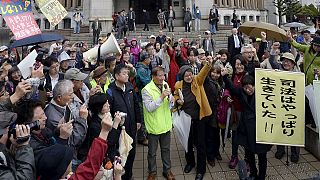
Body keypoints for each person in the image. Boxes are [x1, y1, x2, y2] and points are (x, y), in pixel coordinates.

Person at [221, 70, 272, 180]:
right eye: (246, 88)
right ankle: (253, 173)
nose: (248, 90)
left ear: (254, 85)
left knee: (262, 155)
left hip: (260, 128)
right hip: (246, 128)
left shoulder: (263, 92)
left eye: (250, 87)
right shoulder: (240, 91)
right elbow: (232, 88)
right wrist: (225, 76)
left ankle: (262, 176)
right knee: (249, 154)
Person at [174, 58, 213, 180]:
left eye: (190, 74)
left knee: (200, 144)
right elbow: (175, 96)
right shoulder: (178, 85)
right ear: (182, 76)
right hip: (186, 119)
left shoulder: (197, 80)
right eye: (186, 76)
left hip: (199, 118)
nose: (189, 77)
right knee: (188, 142)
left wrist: (208, 64)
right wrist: (177, 100)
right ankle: (190, 163)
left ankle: (201, 170)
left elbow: (203, 73)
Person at [15, 100, 74, 180]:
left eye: (43, 114)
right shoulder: (27, 143)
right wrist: (62, 139)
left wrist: (57, 131)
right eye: (40, 117)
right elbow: (50, 160)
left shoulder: (44, 130)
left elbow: (51, 143)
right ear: (28, 123)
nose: (45, 118)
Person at [106, 64, 141, 180]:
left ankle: (129, 175)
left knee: (131, 153)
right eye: (124, 73)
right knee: (121, 155)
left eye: (127, 73)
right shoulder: (110, 91)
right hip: (120, 130)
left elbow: (136, 104)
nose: (127, 75)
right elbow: (108, 112)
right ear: (116, 76)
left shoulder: (130, 86)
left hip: (132, 127)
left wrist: (138, 120)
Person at [142, 66, 175, 180]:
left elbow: (170, 105)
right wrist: (162, 96)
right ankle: (152, 172)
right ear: (153, 76)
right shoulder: (146, 90)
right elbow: (149, 107)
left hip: (166, 125)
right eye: (159, 75)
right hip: (154, 126)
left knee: (166, 150)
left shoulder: (166, 85)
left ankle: (167, 171)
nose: (162, 78)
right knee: (152, 152)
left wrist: (172, 100)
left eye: (163, 75)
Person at [203, 65, 224, 167]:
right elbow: (204, 74)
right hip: (210, 113)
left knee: (217, 134)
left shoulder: (221, 83)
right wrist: (210, 63)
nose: (215, 75)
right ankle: (210, 156)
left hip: (218, 113)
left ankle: (217, 152)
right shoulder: (207, 82)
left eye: (217, 73)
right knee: (210, 136)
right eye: (213, 72)